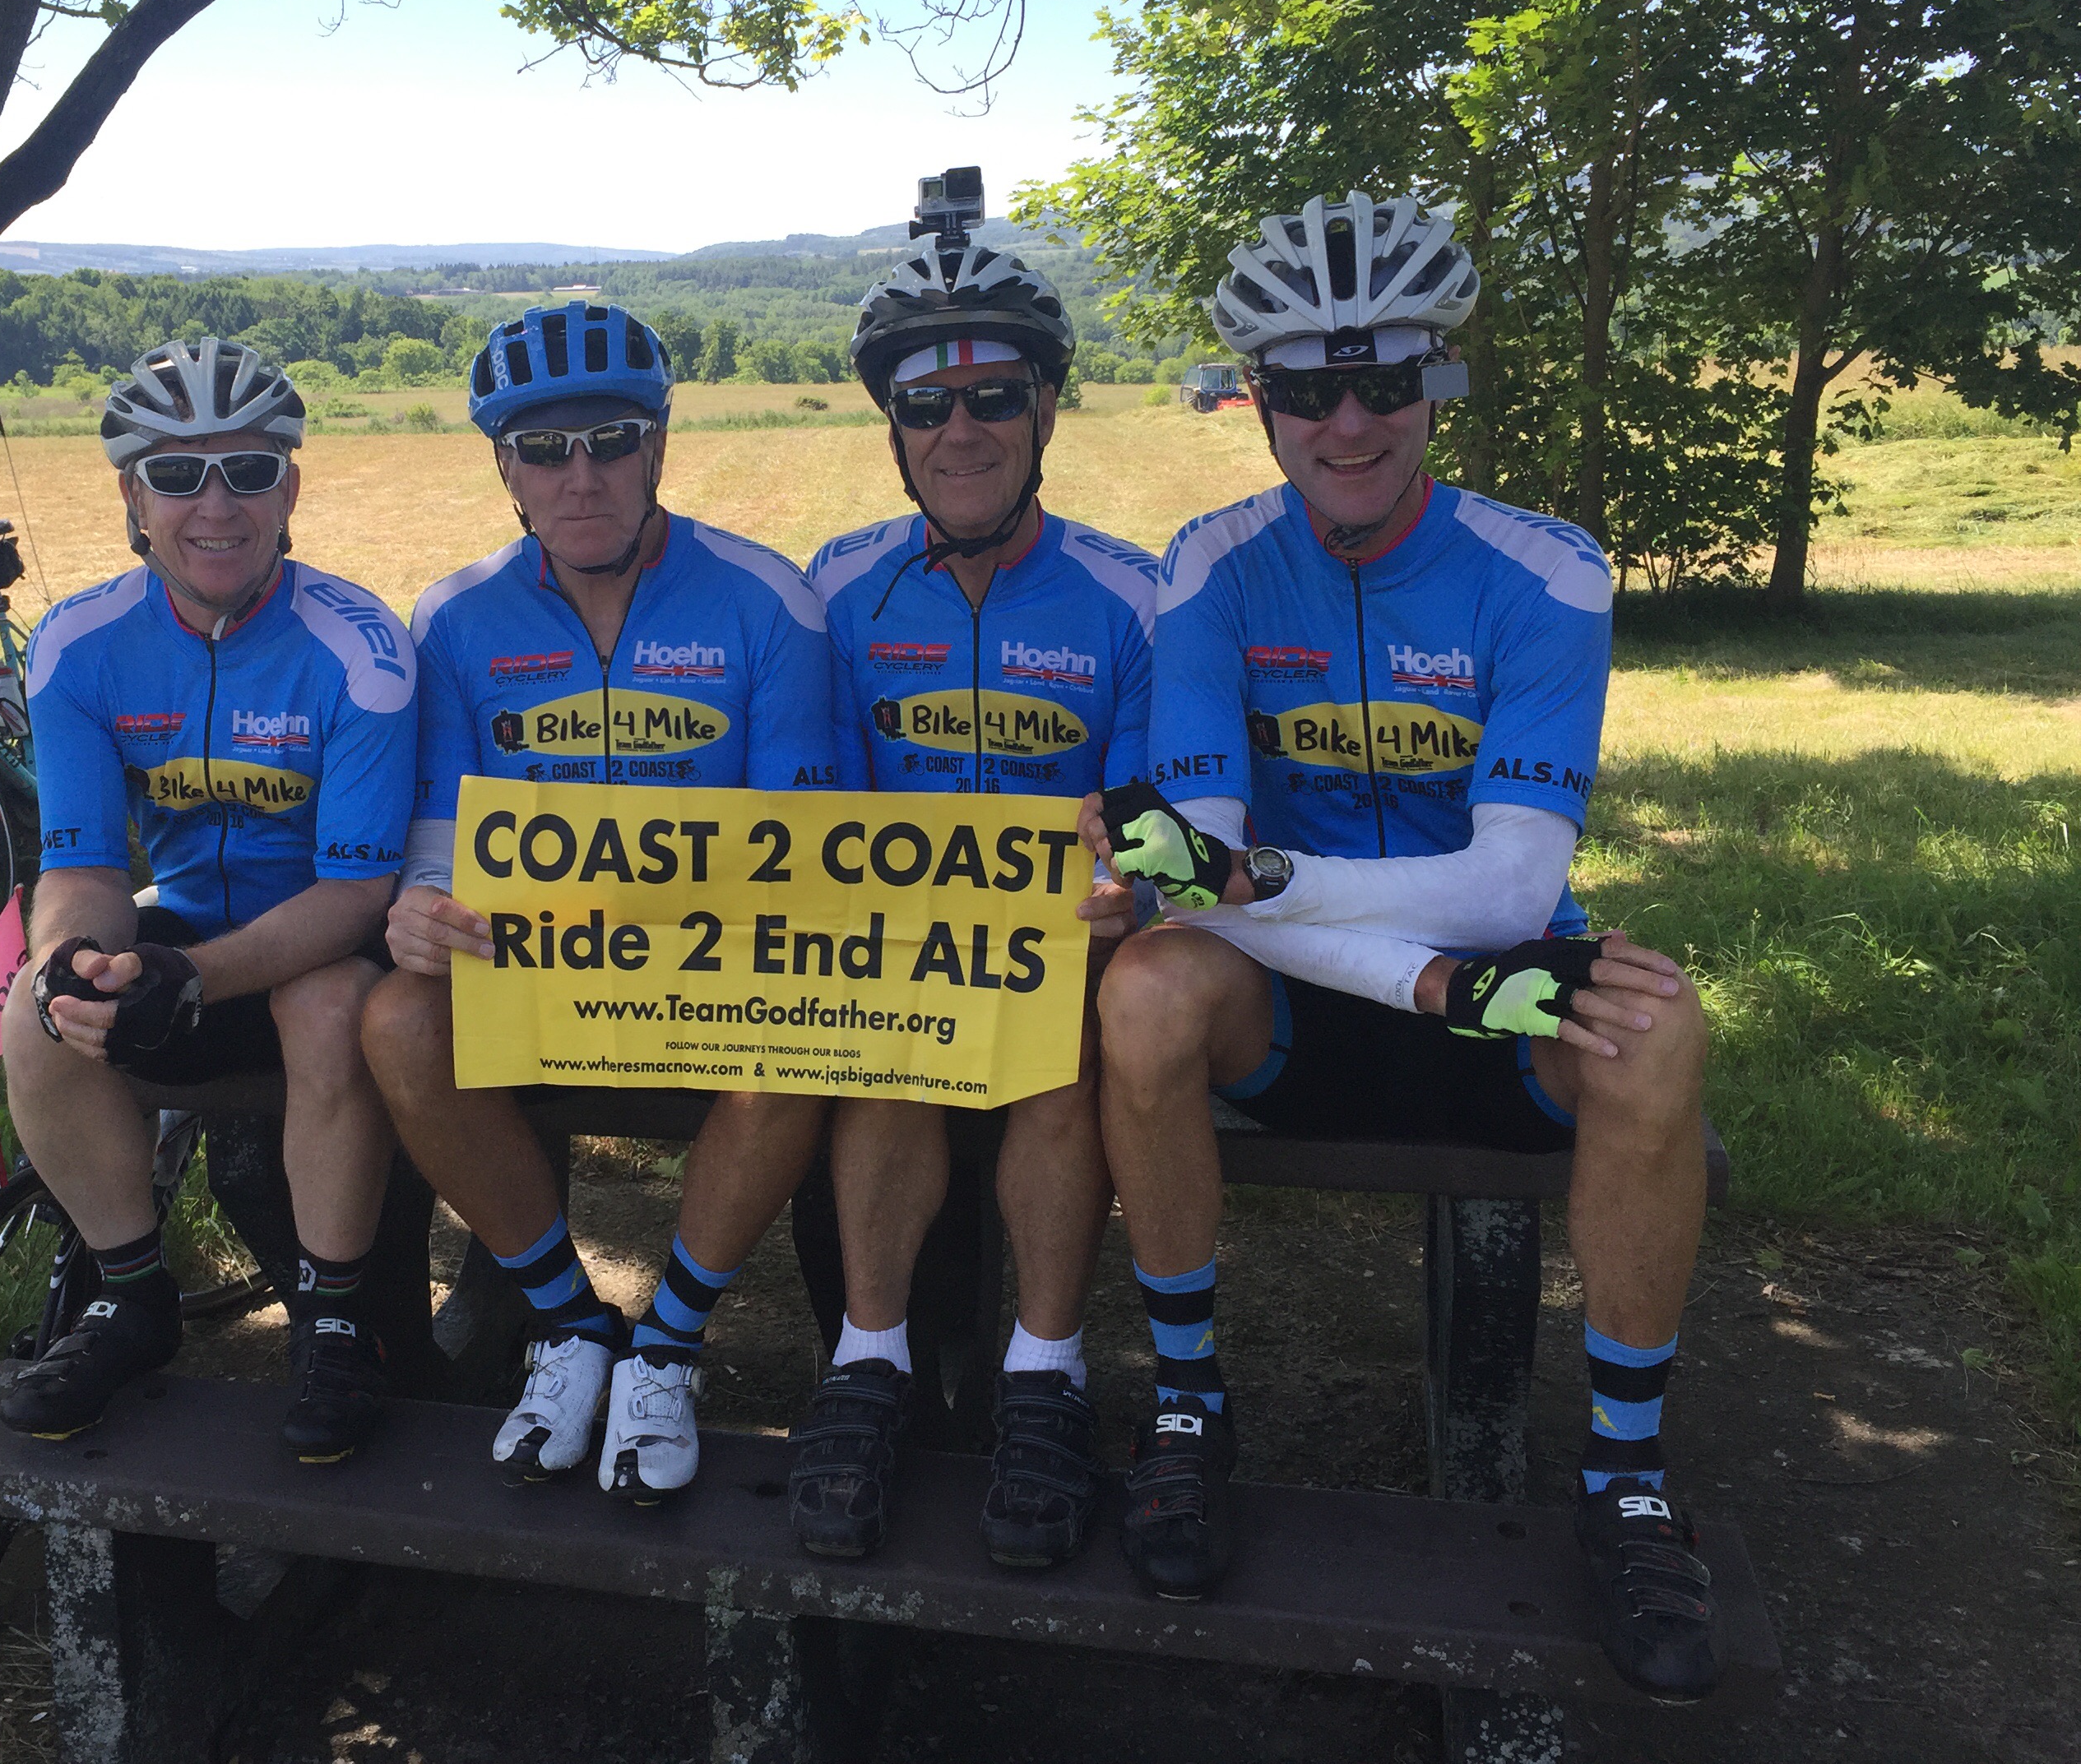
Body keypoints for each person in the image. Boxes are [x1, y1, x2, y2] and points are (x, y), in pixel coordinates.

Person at [1079, 192, 1720, 1701]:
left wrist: (1264, 882)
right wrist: (1410, 970)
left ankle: (1627, 1483)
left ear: (1438, 382)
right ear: (1261, 402)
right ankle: (1187, 1406)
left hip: (1498, 983)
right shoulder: (1211, 566)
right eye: (1308, 389)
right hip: (1310, 1006)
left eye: (1383, 381)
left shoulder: (1547, 572)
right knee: (1148, 990)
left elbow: (1507, 891)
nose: (1349, 423)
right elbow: (1193, 895)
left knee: (1656, 1032)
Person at [363, 302, 841, 1505]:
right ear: (506, 468)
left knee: (815, 1029)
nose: (580, 477)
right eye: (543, 449)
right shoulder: (455, 617)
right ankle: (573, 1324)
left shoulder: (769, 600)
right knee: (396, 1020)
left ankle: (668, 1342)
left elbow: (796, 848)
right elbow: (440, 840)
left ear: (658, 445)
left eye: (612, 441)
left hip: (717, 969)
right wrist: (423, 906)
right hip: (539, 977)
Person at [790, 185, 1153, 1570]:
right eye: (927, 406)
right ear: (892, 428)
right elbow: (815, 813)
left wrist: (1121, 889)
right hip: (892, 956)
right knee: (889, 1027)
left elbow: (1149, 820)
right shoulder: (837, 588)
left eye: (996, 397)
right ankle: (869, 1365)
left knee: (1057, 1037)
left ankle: (1044, 1379)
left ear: (1047, 410)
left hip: (1066, 958)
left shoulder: (1133, 594)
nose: (962, 430)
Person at [0, 336, 415, 1462]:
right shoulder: (77, 645)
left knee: (325, 1006)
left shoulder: (361, 648)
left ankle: (336, 1323)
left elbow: (358, 889)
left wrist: (191, 978)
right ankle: (130, 1297)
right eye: (178, 475)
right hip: (184, 923)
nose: (216, 505)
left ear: (291, 490)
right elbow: (84, 862)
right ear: (133, 499)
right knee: (36, 1011)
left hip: (323, 939)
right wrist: (77, 961)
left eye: (249, 471)